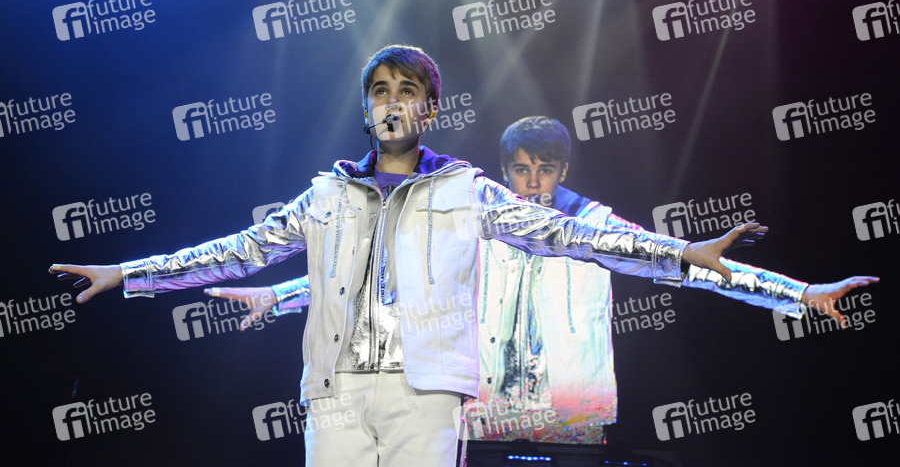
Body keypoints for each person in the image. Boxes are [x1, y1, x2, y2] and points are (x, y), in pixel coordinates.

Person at [48, 45, 844, 467]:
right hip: (339, 392)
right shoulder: (327, 194)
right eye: (380, 91)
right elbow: (264, 256)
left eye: (407, 91)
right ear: (366, 108)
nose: (392, 103)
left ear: (429, 108)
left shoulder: (473, 198)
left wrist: (691, 254)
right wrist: (131, 273)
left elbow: (599, 242)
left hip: (455, 399)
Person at [213, 116, 879, 447]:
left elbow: (700, 270)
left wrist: (802, 294)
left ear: (563, 170)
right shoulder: (475, 222)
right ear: (505, 171)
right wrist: (277, 295)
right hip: (480, 416)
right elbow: (376, 283)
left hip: (569, 416)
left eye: (545, 169)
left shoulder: (594, 228)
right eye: (521, 169)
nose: (533, 181)